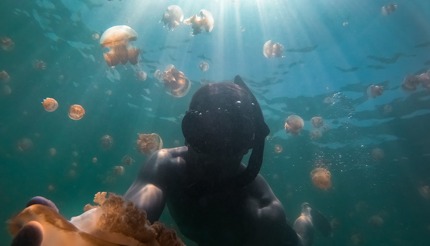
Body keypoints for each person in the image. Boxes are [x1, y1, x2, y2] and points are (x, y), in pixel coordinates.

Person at [11, 76, 329, 246]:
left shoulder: (264, 213)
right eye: (201, 131)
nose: (210, 153)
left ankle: (306, 217)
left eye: (227, 137)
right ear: (187, 129)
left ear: (248, 145)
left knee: (301, 237)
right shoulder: (166, 165)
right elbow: (129, 217)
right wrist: (67, 235)